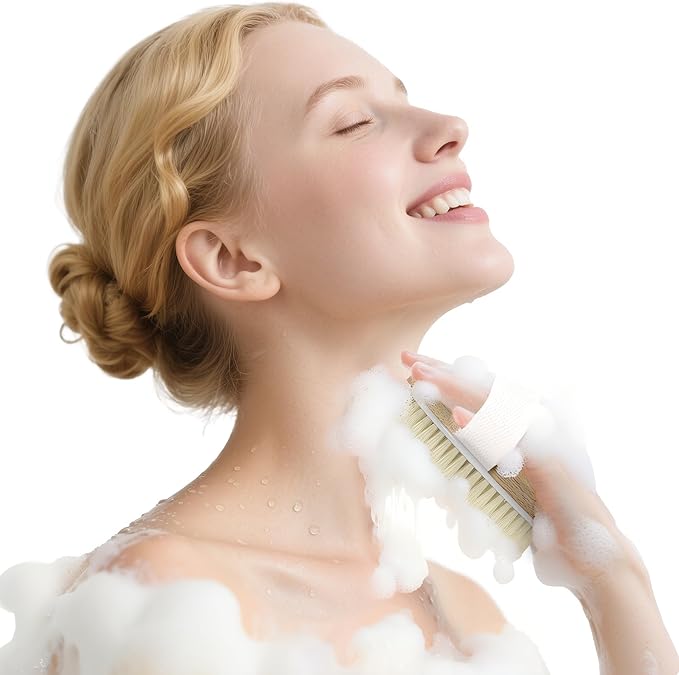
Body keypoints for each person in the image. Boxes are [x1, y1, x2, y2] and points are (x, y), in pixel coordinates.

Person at [45, 4, 678, 673]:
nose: (450, 127)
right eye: (353, 122)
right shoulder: (162, 601)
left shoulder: (469, 616)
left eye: (400, 98)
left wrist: (613, 579)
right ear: (233, 259)